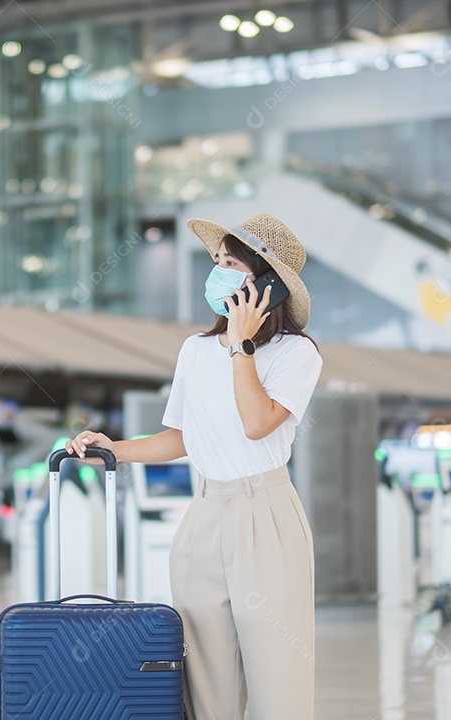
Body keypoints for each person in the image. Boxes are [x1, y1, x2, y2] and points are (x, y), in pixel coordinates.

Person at [66, 212, 323, 720]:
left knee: (279, 684)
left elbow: (255, 423)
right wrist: (111, 448)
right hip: (204, 514)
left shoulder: (297, 354)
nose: (218, 271)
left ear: (267, 284)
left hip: (265, 516)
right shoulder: (195, 350)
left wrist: (242, 346)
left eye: (231, 263)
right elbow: (182, 436)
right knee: (206, 686)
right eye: (218, 261)